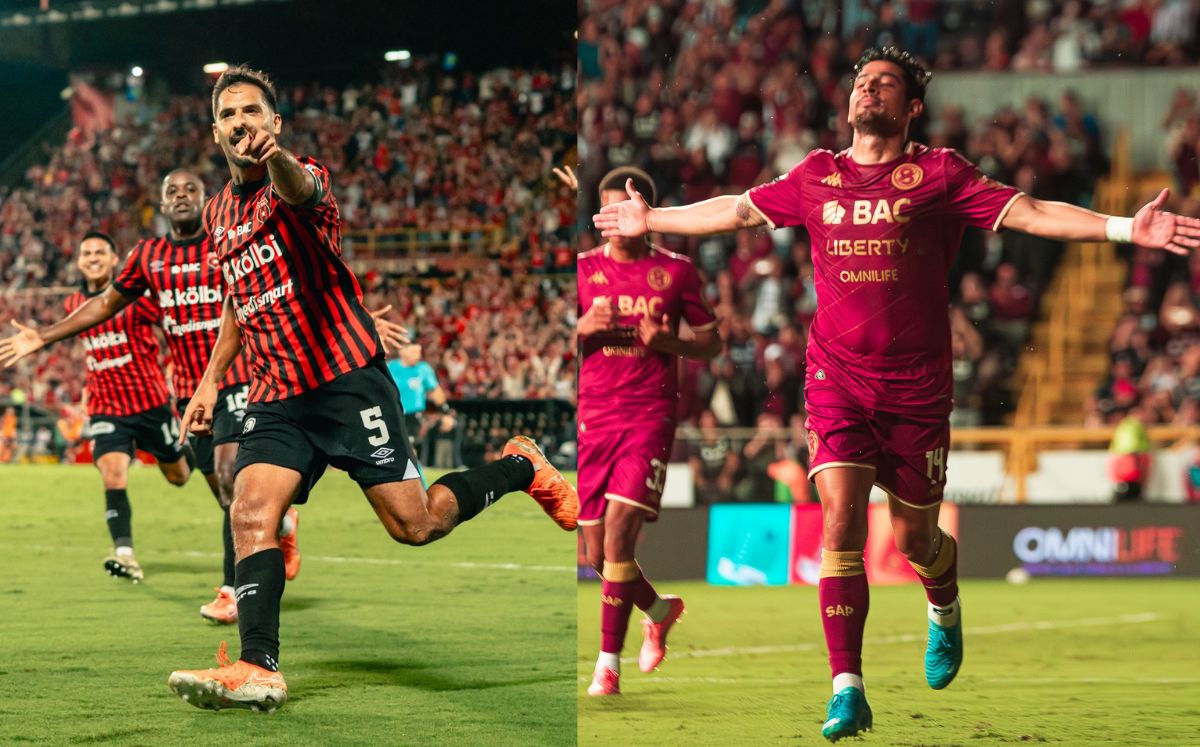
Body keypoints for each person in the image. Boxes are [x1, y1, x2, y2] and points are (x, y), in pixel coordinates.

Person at [593, 46, 1200, 740]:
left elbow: (1029, 212)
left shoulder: (938, 174)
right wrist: (654, 219)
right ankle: (847, 688)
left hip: (916, 391)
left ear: (911, 107)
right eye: (860, 81)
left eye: (885, 84)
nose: (867, 90)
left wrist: (1125, 227)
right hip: (836, 381)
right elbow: (737, 211)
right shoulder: (818, 174)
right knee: (842, 518)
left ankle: (944, 599)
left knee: (915, 536)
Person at [165, 65, 577, 712]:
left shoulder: (303, 176)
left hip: (347, 384)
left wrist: (277, 163)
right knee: (247, 507)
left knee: (416, 525)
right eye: (229, 115)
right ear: (215, 130)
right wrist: (211, 380)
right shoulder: (217, 214)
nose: (241, 123)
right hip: (277, 392)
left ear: (274, 123)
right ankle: (258, 665)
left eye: (253, 112)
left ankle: (520, 466)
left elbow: (298, 192)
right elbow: (238, 303)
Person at [575, 166, 722, 696]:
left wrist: (670, 342)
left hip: (649, 415)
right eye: (606, 211)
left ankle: (605, 667)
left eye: (625, 210)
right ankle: (659, 611)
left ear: (646, 215)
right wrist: (580, 327)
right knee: (598, 553)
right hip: (594, 419)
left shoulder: (677, 274)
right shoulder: (581, 271)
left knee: (618, 532)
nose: (615, 221)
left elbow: (712, 343)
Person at [0, 232, 193, 582]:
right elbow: (93, 352)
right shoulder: (73, 301)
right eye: (86, 252)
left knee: (179, 476)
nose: (92, 257)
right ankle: (125, 553)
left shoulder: (138, 297)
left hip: (150, 403)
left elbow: (174, 328)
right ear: (78, 261)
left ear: (114, 259)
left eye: (100, 252)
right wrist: (88, 393)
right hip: (107, 408)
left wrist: (176, 366)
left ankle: (191, 451)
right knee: (113, 474)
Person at [386, 341, 451, 461]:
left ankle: (418, 479)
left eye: (419, 352)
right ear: (402, 351)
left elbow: (435, 392)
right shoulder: (390, 368)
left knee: (409, 451)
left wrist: (446, 414)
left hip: (413, 418)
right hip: (393, 416)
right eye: (414, 351)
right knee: (398, 452)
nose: (418, 355)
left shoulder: (423, 369)